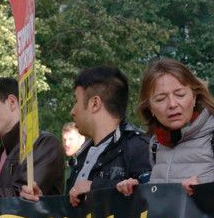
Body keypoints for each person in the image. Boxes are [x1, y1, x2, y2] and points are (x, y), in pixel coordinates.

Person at [115, 58, 214, 197]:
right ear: (150, 108)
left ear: (194, 97)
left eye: (180, 95)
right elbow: (163, 197)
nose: (172, 104)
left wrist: (204, 190)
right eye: (161, 99)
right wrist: (139, 190)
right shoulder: (156, 144)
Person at [58, 66, 149, 206]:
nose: (72, 111)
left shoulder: (140, 148)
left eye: (76, 101)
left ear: (95, 104)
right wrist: (40, 203)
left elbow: (153, 196)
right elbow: (69, 212)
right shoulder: (81, 155)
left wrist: (96, 188)